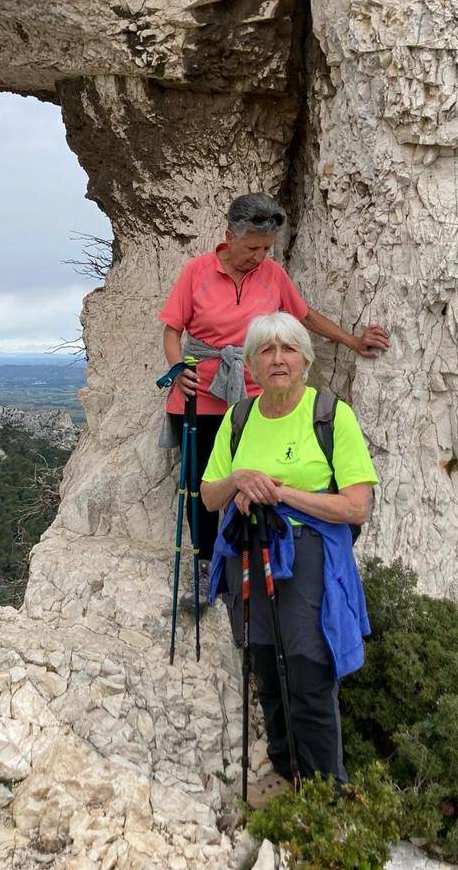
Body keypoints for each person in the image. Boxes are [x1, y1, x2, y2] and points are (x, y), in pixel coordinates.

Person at [158, 193, 387, 596]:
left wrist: (352, 341)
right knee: (203, 486)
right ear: (229, 237)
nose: (259, 257)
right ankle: (206, 566)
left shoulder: (272, 275)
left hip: (252, 400)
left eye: (266, 248)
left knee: (255, 481)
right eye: (252, 248)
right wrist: (178, 371)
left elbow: (304, 316)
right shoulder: (197, 271)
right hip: (199, 395)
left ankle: (249, 562)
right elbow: (172, 329)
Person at [200, 312, 377, 804]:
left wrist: (278, 492)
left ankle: (327, 791)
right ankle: (282, 770)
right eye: (266, 350)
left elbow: (355, 505)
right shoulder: (239, 418)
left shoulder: (330, 414)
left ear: (305, 358)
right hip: (249, 552)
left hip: (305, 558)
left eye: (288, 349)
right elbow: (209, 495)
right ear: (252, 364)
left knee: (307, 667)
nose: (278, 359)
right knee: (263, 659)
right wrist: (239, 481)